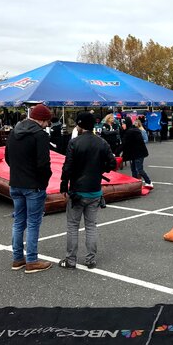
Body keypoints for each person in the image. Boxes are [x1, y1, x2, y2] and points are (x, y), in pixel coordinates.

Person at [59, 112, 117, 270]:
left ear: (79, 124)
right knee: (91, 226)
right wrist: (99, 169)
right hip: (95, 191)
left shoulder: (74, 143)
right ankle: (90, 259)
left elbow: (68, 167)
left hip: (77, 191)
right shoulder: (102, 142)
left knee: (72, 225)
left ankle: (70, 260)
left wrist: (64, 185)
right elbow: (113, 164)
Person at [4, 104, 53, 274]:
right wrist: (44, 181)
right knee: (33, 223)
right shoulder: (40, 135)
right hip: (34, 185)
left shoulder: (14, 132)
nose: (48, 125)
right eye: (47, 121)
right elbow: (43, 163)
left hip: (15, 182)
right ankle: (31, 260)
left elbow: (7, 158)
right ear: (42, 119)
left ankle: (18, 259)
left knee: (18, 221)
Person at [122, 117, 153, 188]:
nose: (122, 125)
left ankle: (149, 182)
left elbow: (124, 144)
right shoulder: (129, 131)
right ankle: (135, 183)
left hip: (139, 153)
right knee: (133, 169)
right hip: (134, 153)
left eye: (123, 124)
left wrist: (117, 153)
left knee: (139, 169)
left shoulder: (133, 131)